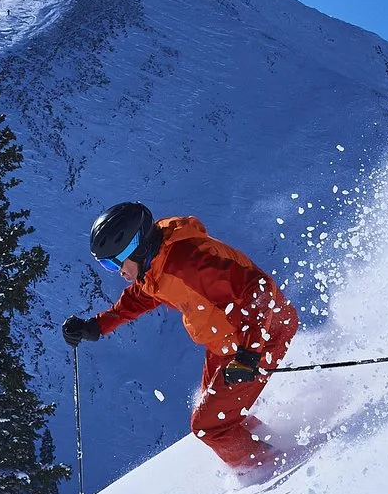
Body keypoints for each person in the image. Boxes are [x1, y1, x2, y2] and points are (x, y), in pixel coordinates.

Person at [62, 201, 300, 470]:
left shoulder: (189, 263)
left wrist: (250, 352)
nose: (117, 271)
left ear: (134, 247)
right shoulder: (156, 265)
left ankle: (272, 470)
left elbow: (258, 289)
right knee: (214, 414)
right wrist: (96, 326)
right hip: (226, 342)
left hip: (262, 334)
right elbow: (141, 297)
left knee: (209, 427)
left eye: (112, 262)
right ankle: (271, 450)